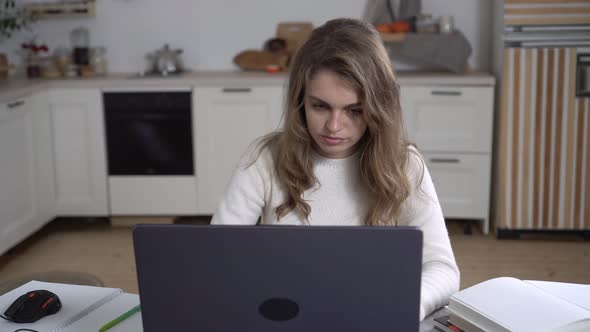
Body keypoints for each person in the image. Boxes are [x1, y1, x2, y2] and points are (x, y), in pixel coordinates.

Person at [211, 17, 460, 320]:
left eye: (354, 111)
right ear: (300, 100)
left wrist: (405, 305)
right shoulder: (263, 158)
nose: (333, 126)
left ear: (378, 107)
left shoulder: (404, 163)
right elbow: (218, 259)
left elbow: (443, 269)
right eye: (320, 106)